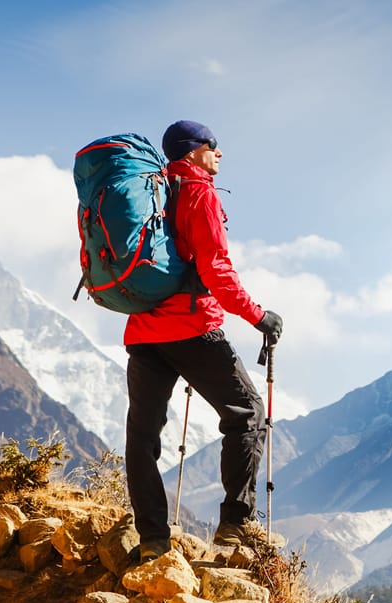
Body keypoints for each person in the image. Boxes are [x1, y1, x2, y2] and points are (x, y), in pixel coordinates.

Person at [123, 119, 283, 561]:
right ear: (194, 151)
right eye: (214, 145)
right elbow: (215, 268)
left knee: (142, 436)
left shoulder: (148, 189)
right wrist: (258, 316)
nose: (220, 153)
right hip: (192, 329)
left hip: (142, 331)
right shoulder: (198, 193)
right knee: (247, 412)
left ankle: (152, 538)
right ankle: (234, 527)